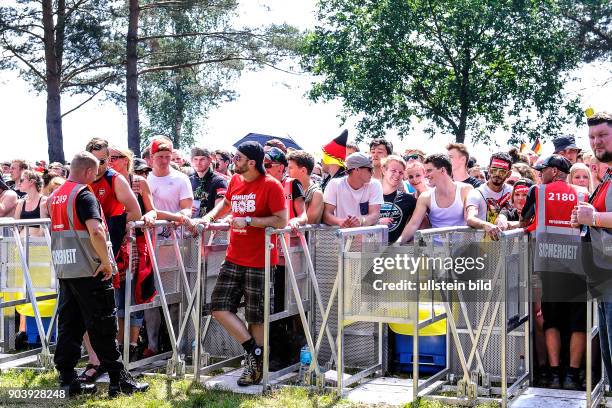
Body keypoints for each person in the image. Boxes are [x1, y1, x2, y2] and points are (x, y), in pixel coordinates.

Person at [48, 151, 148, 397]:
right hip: (90, 268)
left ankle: (68, 378)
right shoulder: (84, 194)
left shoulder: (55, 195)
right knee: (103, 324)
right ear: (89, 172)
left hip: (66, 267)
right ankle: (119, 381)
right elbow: (95, 231)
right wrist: (107, 262)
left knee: (69, 325)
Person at [198, 141, 287, 386]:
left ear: (251, 162)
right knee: (218, 307)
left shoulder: (271, 185)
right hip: (233, 256)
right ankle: (253, 351)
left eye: (238, 158)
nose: (233, 160)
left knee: (256, 316)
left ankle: (254, 369)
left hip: (260, 259)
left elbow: (281, 220)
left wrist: (248, 220)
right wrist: (208, 218)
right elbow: (225, 204)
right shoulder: (235, 182)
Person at [521, 155, 586, 390]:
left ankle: (555, 374)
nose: (540, 173)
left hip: (549, 267)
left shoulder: (538, 191)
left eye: (544, 169)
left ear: (556, 172)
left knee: (552, 323)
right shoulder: (582, 193)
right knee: (578, 324)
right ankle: (572, 375)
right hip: (578, 269)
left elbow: (525, 220)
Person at [81, 138, 142, 382]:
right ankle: (94, 359)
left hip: (110, 253)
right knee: (84, 309)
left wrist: (110, 226)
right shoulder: (79, 181)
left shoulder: (115, 179)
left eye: (105, 160)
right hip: (82, 254)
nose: (101, 166)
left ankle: (111, 360)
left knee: (108, 309)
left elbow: (135, 211)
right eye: (95, 161)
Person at [107, 146, 159, 361]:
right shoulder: (105, 181)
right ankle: (119, 345)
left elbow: (152, 209)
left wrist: (149, 217)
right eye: (107, 158)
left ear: (125, 160)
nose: (109, 162)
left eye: (114, 158)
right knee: (116, 298)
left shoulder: (138, 181)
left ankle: (132, 344)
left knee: (134, 295)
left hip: (134, 246)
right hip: (112, 245)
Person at [571, 111, 612, 384]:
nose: (596, 142)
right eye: (592, 137)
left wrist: (593, 218)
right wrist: (584, 221)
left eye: (603, 135)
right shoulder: (607, 175)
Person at [144, 136, 194, 358]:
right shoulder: (145, 181)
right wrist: (175, 217)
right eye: (160, 157)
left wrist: (180, 216)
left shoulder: (181, 179)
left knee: (175, 298)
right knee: (151, 298)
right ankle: (152, 345)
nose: (164, 161)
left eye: (167, 157)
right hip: (151, 246)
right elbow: (148, 209)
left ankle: (178, 345)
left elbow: (187, 209)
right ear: (151, 158)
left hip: (176, 245)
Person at [398, 154, 472, 243]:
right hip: (435, 251)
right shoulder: (425, 197)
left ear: (443, 170)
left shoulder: (465, 189)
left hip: (462, 250)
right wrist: (397, 244)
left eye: (429, 171)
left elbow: (470, 220)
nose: (425, 175)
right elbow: (413, 225)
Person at [322, 152, 383, 228]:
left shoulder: (375, 184)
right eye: (370, 169)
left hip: (365, 237)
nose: (373, 172)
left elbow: (375, 215)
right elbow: (326, 215)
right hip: (341, 237)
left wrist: (361, 221)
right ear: (357, 169)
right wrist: (340, 221)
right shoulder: (334, 184)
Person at [464, 153, 514, 240]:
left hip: (507, 247)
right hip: (481, 247)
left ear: (509, 174)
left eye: (502, 171)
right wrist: (485, 225)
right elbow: (470, 218)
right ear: (488, 169)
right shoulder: (477, 193)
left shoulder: (513, 192)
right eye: (494, 170)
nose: (497, 174)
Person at [378, 156, 416, 243]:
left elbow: (422, 224)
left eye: (401, 172)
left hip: (395, 252)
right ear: (384, 170)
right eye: (393, 171)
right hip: (371, 250)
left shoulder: (409, 200)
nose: (397, 175)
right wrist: (377, 223)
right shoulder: (369, 196)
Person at [264, 147, 305, 226]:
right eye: (263, 165)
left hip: (289, 236)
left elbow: (303, 215)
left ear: (281, 167)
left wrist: (296, 221)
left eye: (268, 165)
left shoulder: (293, 184)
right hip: (268, 236)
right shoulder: (262, 185)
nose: (264, 168)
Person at [287, 150, 324, 224]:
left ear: (303, 171)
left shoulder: (316, 194)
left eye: (290, 168)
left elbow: (307, 225)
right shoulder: (288, 186)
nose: (287, 171)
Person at [189, 147, 227, 218]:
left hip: (210, 225)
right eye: (195, 159)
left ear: (210, 160)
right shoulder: (188, 180)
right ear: (191, 161)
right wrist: (187, 210)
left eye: (202, 159)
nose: (198, 163)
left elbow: (221, 210)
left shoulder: (219, 182)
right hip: (190, 226)